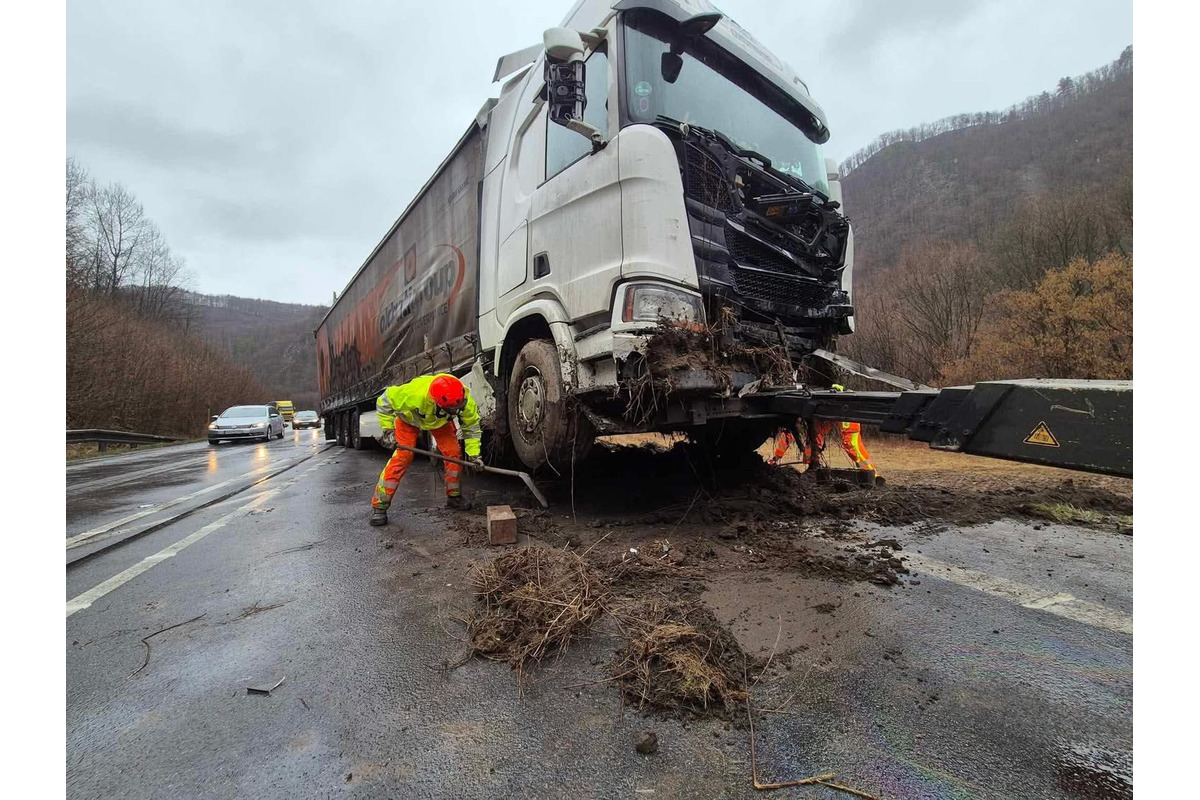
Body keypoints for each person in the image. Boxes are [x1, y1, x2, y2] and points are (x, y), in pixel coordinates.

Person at [369, 373, 484, 527]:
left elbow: (472, 428)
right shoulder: (413, 394)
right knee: (403, 457)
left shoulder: (463, 399)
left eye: (459, 408)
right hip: (408, 420)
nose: (457, 412)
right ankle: (379, 506)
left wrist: (474, 454)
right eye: (453, 410)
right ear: (437, 403)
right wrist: (388, 431)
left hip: (439, 422)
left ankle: (454, 497)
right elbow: (383, 402)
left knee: (453, 454)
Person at [769, 385, 877, 474]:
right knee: (814, 437)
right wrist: (775, 458)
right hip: (826, 407)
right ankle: (812, 467)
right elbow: (788, 435)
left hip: (845, 405)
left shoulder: (806, 405)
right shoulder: (807, 416)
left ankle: (872, 474)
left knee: (851, 443)